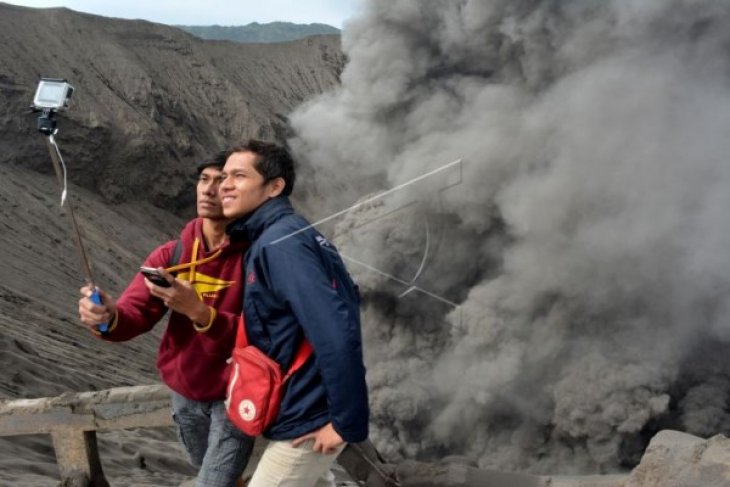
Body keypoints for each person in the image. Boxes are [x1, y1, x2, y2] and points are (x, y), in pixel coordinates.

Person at [78, 153, 254, 487]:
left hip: (235, 395)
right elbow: (134, 316)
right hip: (185, 395)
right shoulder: (171, 256)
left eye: (222, 181)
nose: (209, 189)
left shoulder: (258, 258)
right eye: (204, 179)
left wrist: (199, 312)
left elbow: (265, 334)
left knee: (212, 483)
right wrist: (106, 316)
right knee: (219, 478)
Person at [220, 140, 369, 486]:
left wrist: (345, 423)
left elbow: (335, 333)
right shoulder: (282, 235)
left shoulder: (281, 243)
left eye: (239, 176)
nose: (224, 184)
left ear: (275, 186)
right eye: (224, 175)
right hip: (300, 410)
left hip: (309, 419)